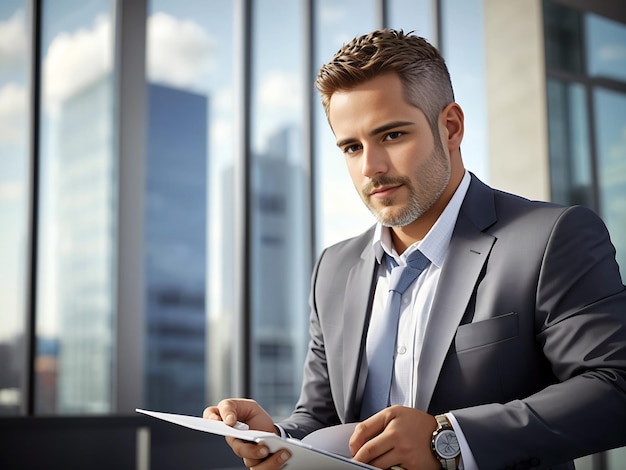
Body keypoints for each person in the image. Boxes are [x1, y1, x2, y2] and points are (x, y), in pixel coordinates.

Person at [204, 29, 626, 470]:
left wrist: (450, 440)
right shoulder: (334, 267)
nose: (372, 168)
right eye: (352, 146)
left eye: (391, 136)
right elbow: (322, 417)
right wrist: (277, 439)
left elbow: (615, 387)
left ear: (451, 127)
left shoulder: (552, 237)